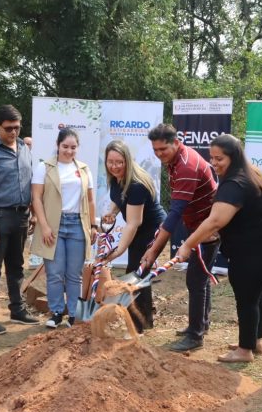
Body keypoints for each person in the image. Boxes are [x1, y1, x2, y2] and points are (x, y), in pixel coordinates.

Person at [176, 134, 262, 362]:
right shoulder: (250, 172)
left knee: (246, 297)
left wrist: (188, 244)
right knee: (258, 295)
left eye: (219, 159)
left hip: (255, 250)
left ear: (233, 157)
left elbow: (215, 220)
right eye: (212, 158)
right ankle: (254, 340)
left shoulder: (235, 183)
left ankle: (244, 351)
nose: (214, 163)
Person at [141, 124, 218, 352]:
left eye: (163, 149)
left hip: (207, 229)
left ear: (176, 142)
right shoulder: (176, 159)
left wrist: (154, 250)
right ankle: (201, 324)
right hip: (198, 226)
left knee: (195, 281)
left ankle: (195, 335)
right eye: (155, 150)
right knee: (200, 279)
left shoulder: (185, 166)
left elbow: (174, 213)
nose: (159, 154)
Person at [0, 105, 39, 334]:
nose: (13, 133)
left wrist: (31, 211)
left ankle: (17, 309)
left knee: (16, 267)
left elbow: (29, 180)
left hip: (21, 216)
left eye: (17, 128)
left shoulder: (23, 147)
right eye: (8, 128)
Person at [30, 128, 96, 328]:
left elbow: (91, 200)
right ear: (57, 145)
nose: (69, 151)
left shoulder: (84, 169)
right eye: (65, 146)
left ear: (78, 148)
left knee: (74, 274)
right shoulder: (45, 167)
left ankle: (74, 315)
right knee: (55, 272)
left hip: (77, 224)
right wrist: (44, 226)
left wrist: (93, 225)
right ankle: (56, 312)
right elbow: (36, 198)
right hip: (52, 225)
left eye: (73, 147)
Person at [102, 140, 166, 333]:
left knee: (137, 273)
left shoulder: (136, 185)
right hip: (139, 229)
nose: (114, 166)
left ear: (127, 161)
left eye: (119, 162)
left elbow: (133, 223)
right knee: (137, 273)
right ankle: (143, 320)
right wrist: (113, 211)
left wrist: (118, 250)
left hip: (151, 229)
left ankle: (140, 324)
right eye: (110, 162)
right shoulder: (116, 177)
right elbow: (120, 198)